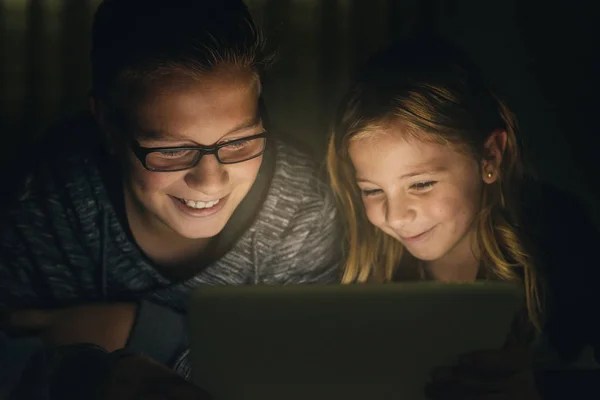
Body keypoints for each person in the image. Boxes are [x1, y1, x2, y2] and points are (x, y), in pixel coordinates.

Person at [0, 0, 342, 397]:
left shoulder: (301, 212)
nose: (210, 181)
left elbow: (305, 374)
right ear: (107, 125)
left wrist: (139, 333)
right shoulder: (46, 199)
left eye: (238, 142)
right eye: (174, 150)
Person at [327, 34, 600, 399]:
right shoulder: (356, 262)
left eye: (421, 184)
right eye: (373, 190)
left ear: (489, 157)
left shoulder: (562, 243)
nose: (395, 216)